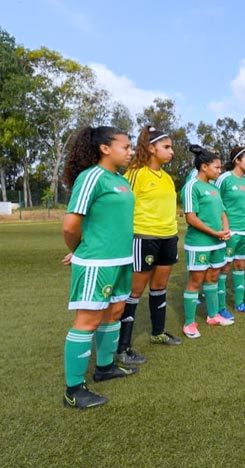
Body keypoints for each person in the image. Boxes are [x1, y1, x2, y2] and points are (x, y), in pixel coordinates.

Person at [61, 126, 138, 409]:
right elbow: (70, 226)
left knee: (114, 312)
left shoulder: (119, 179)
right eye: (125, 147)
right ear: (105, 148)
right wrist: (78, 251)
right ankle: (73, 389)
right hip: (97, 261)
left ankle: (104, 367)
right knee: (88, 320)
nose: (130, 152)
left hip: (121, 260)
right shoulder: (91, 177)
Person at [115, 126, 182, 367]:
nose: (171, 151)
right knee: (134, 291)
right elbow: (120, 205)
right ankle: (122, 347)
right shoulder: (135, 173)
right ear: (151, 148)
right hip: (143, 238)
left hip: (168, 237)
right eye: (167, 147)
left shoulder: (167, 178)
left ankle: (158, 333)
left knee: (160, 286)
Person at [180, 145, 233, 339]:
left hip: (218, 242)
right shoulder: (192, 186)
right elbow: (191, 218)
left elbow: (222, 212)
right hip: (199, 243)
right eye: (217, 168)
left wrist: (225, 230)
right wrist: (215, 232)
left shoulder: (214, 188)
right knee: (196, 281)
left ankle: (213, 315)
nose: (220, 171)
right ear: (204, 167)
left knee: (212, 278)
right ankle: (189, 323)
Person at [215, 146, 245, 317]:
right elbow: (214, 201)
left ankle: (240, 303)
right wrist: (221, 228)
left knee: (240, 265)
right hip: (228, 231)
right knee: (224, 267)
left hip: (244, 230)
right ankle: (220, 307)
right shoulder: (224, 178)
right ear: (237, 161)